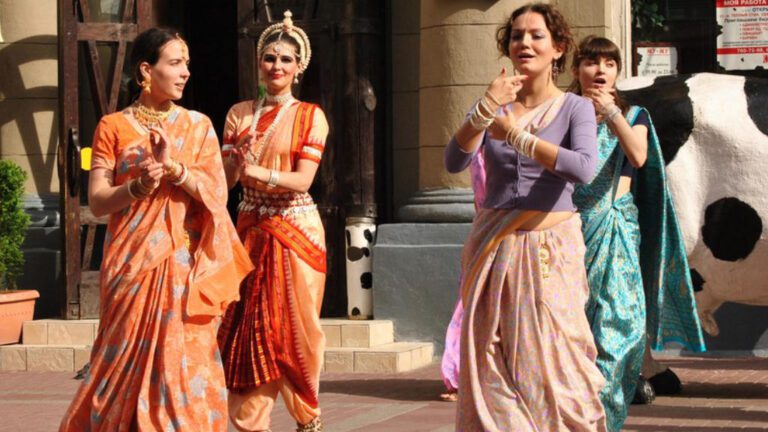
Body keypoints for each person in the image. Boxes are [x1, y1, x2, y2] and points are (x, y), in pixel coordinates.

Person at [60, 28, 253, 431]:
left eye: (187, 64)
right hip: (130, 267)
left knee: (184, 366)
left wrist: (175, 169)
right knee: (121, 366)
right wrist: (138, 186)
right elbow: (97, 201)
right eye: (175, 63)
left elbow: (217, 194)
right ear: (146, 70)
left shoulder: (198, 126)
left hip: (180, 265)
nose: (185, 73)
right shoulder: (113, 127)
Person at [444, 3, 607, 430]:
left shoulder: (575, 108)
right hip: (494, 251)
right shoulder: (494, 105)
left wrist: (517, 137)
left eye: (536, 35)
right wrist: (484, 109)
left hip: (551, 253)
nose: (525, 43)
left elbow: (583, 167)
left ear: (558, 49)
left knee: (558, 366)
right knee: (489, 363)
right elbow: (454, 161)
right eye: (517, 35)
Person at [570, 36, 706, 431]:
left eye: (609, 64)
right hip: (567, 234)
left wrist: (611, 111)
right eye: (591, 62)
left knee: (623, 328)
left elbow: (638, 155)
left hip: (616, 231)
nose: (599, 70)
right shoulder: (562, 111)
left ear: (617, 71)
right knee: (573, 330)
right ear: (576, 68)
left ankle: (605, 416)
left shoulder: (635, 115)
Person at [216, 11, 329, 432]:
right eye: (269, 58)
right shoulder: (238, 114)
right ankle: (250, 423)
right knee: (248, 329)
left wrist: (258, 172)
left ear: (299, 68)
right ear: (258, 64)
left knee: (296, 331)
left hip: (295, 231)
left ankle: (307, 416)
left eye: (286, 59)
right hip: (248, 231)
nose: (276, 66)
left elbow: (303, 179)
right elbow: (225, 183)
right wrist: (235, 159)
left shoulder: (310, 116)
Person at [439, 152, 485, 403]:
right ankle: (457, 375)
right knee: (468, 306)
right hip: (484, 228)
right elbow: (455, 161)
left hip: (514, 229)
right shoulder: (479, 144)